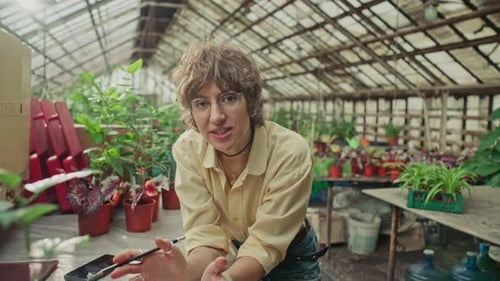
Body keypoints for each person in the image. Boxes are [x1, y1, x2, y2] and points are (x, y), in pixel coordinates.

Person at [110, 41, 325, 281]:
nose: (216, 117)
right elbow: (206, 235)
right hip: (230, 251)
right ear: (191, 111)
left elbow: (267, 244)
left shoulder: (289, 152)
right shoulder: (189, 149)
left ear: (250, 102)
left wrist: (228, 278)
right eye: (202, 104)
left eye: (229, 98)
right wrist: (181, 274)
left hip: (290, 256)